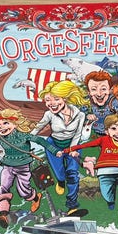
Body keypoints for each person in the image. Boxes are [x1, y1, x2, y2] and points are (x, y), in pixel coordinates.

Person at [0, 108, 60, 228]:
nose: (1, 127)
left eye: (5, 123)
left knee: (23, 191)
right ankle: (3, 214)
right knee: (3, 188)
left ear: (15, 124)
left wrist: (54, 151)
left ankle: (35, 198)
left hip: (22, 167)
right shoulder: (2, 140)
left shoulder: (23, 136)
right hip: (8, 166)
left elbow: (40, 140)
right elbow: (8, 155)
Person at [32, 80, 87, 215]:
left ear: (65, 98)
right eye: (48, 100)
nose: (52, 103)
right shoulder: (49, 114)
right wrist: (27, 137)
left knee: (72, 175)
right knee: (60, 174)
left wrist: (73, 149)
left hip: (73, 145)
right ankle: (61, 181)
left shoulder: (80, 115)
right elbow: (37, 128)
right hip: (54, 145)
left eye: (56, 99)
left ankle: (72, 205)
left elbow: (77, 134)